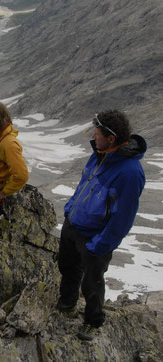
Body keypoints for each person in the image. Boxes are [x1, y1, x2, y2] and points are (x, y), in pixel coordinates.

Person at [56, 110, 146, 341]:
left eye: (97, 133)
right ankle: (66, 305)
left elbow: (123, 218)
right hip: (74, 225)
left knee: (92, 283)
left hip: (94, 238)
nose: (93, 136)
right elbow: (85, 183)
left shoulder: (130, 172)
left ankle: (92, 322)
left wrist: (101, 245)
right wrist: (70, 210)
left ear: (111, 138)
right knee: (68, 268)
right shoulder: (100, 153)